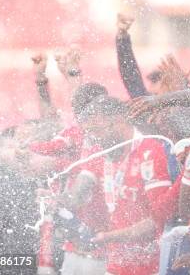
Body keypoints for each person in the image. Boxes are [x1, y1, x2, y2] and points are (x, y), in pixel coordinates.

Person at [70, 96, 174, 275]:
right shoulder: (104, 152)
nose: (95, 138)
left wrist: (110, 237)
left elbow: (158, 220)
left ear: (118, 120)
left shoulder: (150, 151)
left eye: (97, 130)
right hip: (115, 266)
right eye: (90, 133)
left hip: (150, 267)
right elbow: (78, 194)